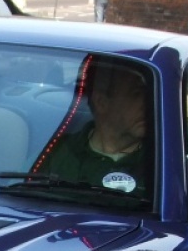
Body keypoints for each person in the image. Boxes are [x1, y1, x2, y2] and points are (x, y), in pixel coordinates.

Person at [34, 58, 151, 199]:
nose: (148, 104)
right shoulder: (60, 152)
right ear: (101, 102)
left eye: (148, 95)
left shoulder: (162, 160)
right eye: (136, 95)